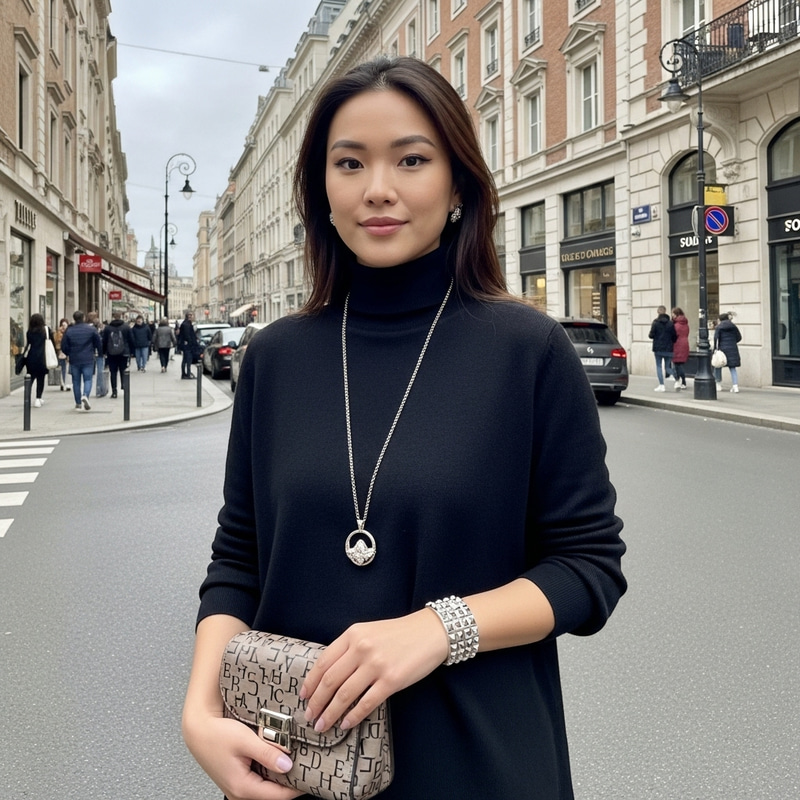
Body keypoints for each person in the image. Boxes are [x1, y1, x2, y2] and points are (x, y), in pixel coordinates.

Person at [182, 56, 626, 800]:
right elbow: (240, 558)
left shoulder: (526, 350)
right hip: (297, 764)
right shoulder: (275, 358)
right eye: (349, 162)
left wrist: (436, 628)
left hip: (480, 764)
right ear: (321, 189)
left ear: (457, 184)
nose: (377, 188)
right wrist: (199, 712)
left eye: (412, 159)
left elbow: (588, 569)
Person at [59, 310, 101, 410]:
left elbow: (64, 346)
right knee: (88, 379)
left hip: (74, 359)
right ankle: (85, 395)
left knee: (76, 381)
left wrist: (69, 353)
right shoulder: (91, 329)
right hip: (88, 358)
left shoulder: (69, 330)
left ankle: (78, 403)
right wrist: (98, 352)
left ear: (74, 318)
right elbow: (98, 342)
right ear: (83, 318)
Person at [24, 314, 55, 407]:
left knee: (30, 379)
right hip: (43, 358)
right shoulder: (46, 330)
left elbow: (29, 344)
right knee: (40, 379)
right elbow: (52, 341)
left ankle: (27, 398)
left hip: (31, 358)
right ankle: (38, 398)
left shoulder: (29, 332)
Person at [101, 311, 134, 399]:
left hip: (111, 353)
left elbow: (104, 341)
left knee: (113, 372)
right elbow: (131, 340)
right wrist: (131, 352)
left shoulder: (108, 328)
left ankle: (114, 391)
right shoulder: (126, 327)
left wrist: (103, 352)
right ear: (121, 316)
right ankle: (123, 385)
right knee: (123, 370)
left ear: (113, 317)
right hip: (124, 352)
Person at [649, 305, 677, 391]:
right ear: (665, 311)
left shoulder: (655, 322)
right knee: (668, 367)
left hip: (658, 348)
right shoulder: (670, 323)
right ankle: (677, 380)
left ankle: (661, 385)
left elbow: (651, 335)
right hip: (669, 348)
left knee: (659, 366)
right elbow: (674, 336)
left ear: (658, 312)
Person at [714, 312, 742, 392]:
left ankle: (718, 384)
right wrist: (733, 342)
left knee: (718, 366)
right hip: (733, 348)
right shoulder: (733, 326)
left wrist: (715, 350)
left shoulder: (719, 327)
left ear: (720, 319)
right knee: (732, 367)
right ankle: (735, 386)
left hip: (722, 349)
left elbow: (716, 339)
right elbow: (739, 337)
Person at [87, 312, 108, 398]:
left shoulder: (100, 327)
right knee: (97, 372)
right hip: (96, 352)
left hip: (96, 352)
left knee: (97, 372)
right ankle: (98, 390)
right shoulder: (90, 327)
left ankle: (99, 390)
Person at [671, 307, 690, 391]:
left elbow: (673, 336)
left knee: (675, 364)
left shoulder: (675, 326)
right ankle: (683, 381)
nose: (672, 315)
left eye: (673, 314)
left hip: (676, 345)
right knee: (680, 364)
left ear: (676, 314)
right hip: (685, 344)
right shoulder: (686, 325)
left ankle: (678, 380)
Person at [177, 311, 198, 379]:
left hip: (186, 344)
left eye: (191, 315)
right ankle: (187, 374)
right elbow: (187, 335)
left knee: (185, 359)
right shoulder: (186, 324)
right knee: (188, 360)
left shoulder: (186, 323)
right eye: (190, 315)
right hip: (187, 345)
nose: (191, 317)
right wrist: (191, 342)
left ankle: (185, 374)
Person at [54, 317, 70, 391]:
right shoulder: (58, 333)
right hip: (61, 351)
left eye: (65, 325)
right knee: (62, 368)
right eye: (63, 325)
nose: (64, 327)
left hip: (66, 352)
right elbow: (57, 341)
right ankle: (63, 383)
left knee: (65, 368)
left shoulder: (68, 332)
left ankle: (63, 383)